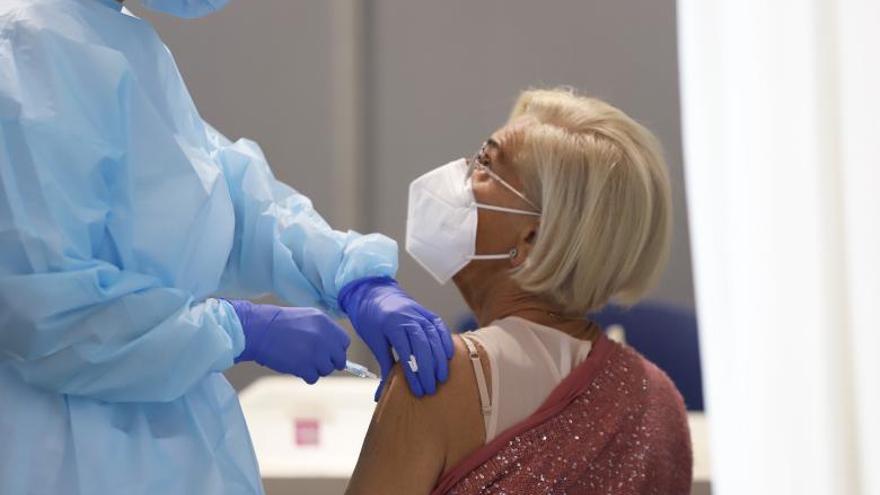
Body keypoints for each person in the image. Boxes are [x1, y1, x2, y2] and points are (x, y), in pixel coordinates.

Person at [0, 0, 452, 493]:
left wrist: (353, 277)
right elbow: (49, 312)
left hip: (168, 446)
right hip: (68, 455)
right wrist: (239, 329)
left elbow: (225, 201)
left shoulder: (119, 42)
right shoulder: (26, 46)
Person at [346, 89, 693, 494]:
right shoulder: (660, 401)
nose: (459, 174)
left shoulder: (434, 380)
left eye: (485, 165)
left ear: (531, 238)